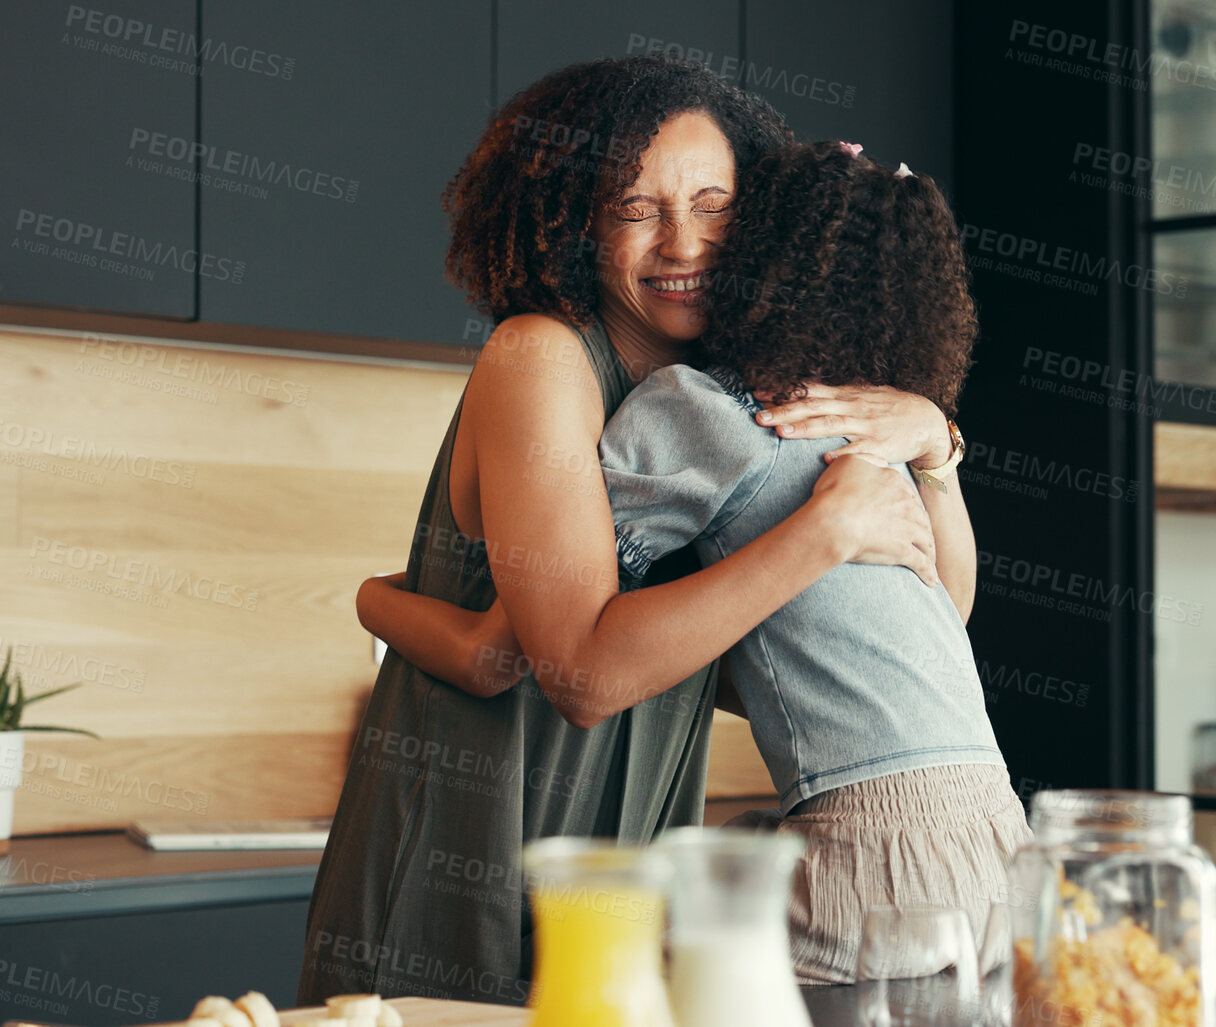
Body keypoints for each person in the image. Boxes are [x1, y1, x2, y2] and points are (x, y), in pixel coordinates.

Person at [298, 57, 960, 1007]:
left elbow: (923, 620)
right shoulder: (543, 356)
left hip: (623, 850)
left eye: (714, 204)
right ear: (573, 222)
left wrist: (934, 445)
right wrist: (822, 535)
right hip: (465, 838)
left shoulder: (723, 406)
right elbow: (582, 674)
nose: (682, 241)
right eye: (633, 208)